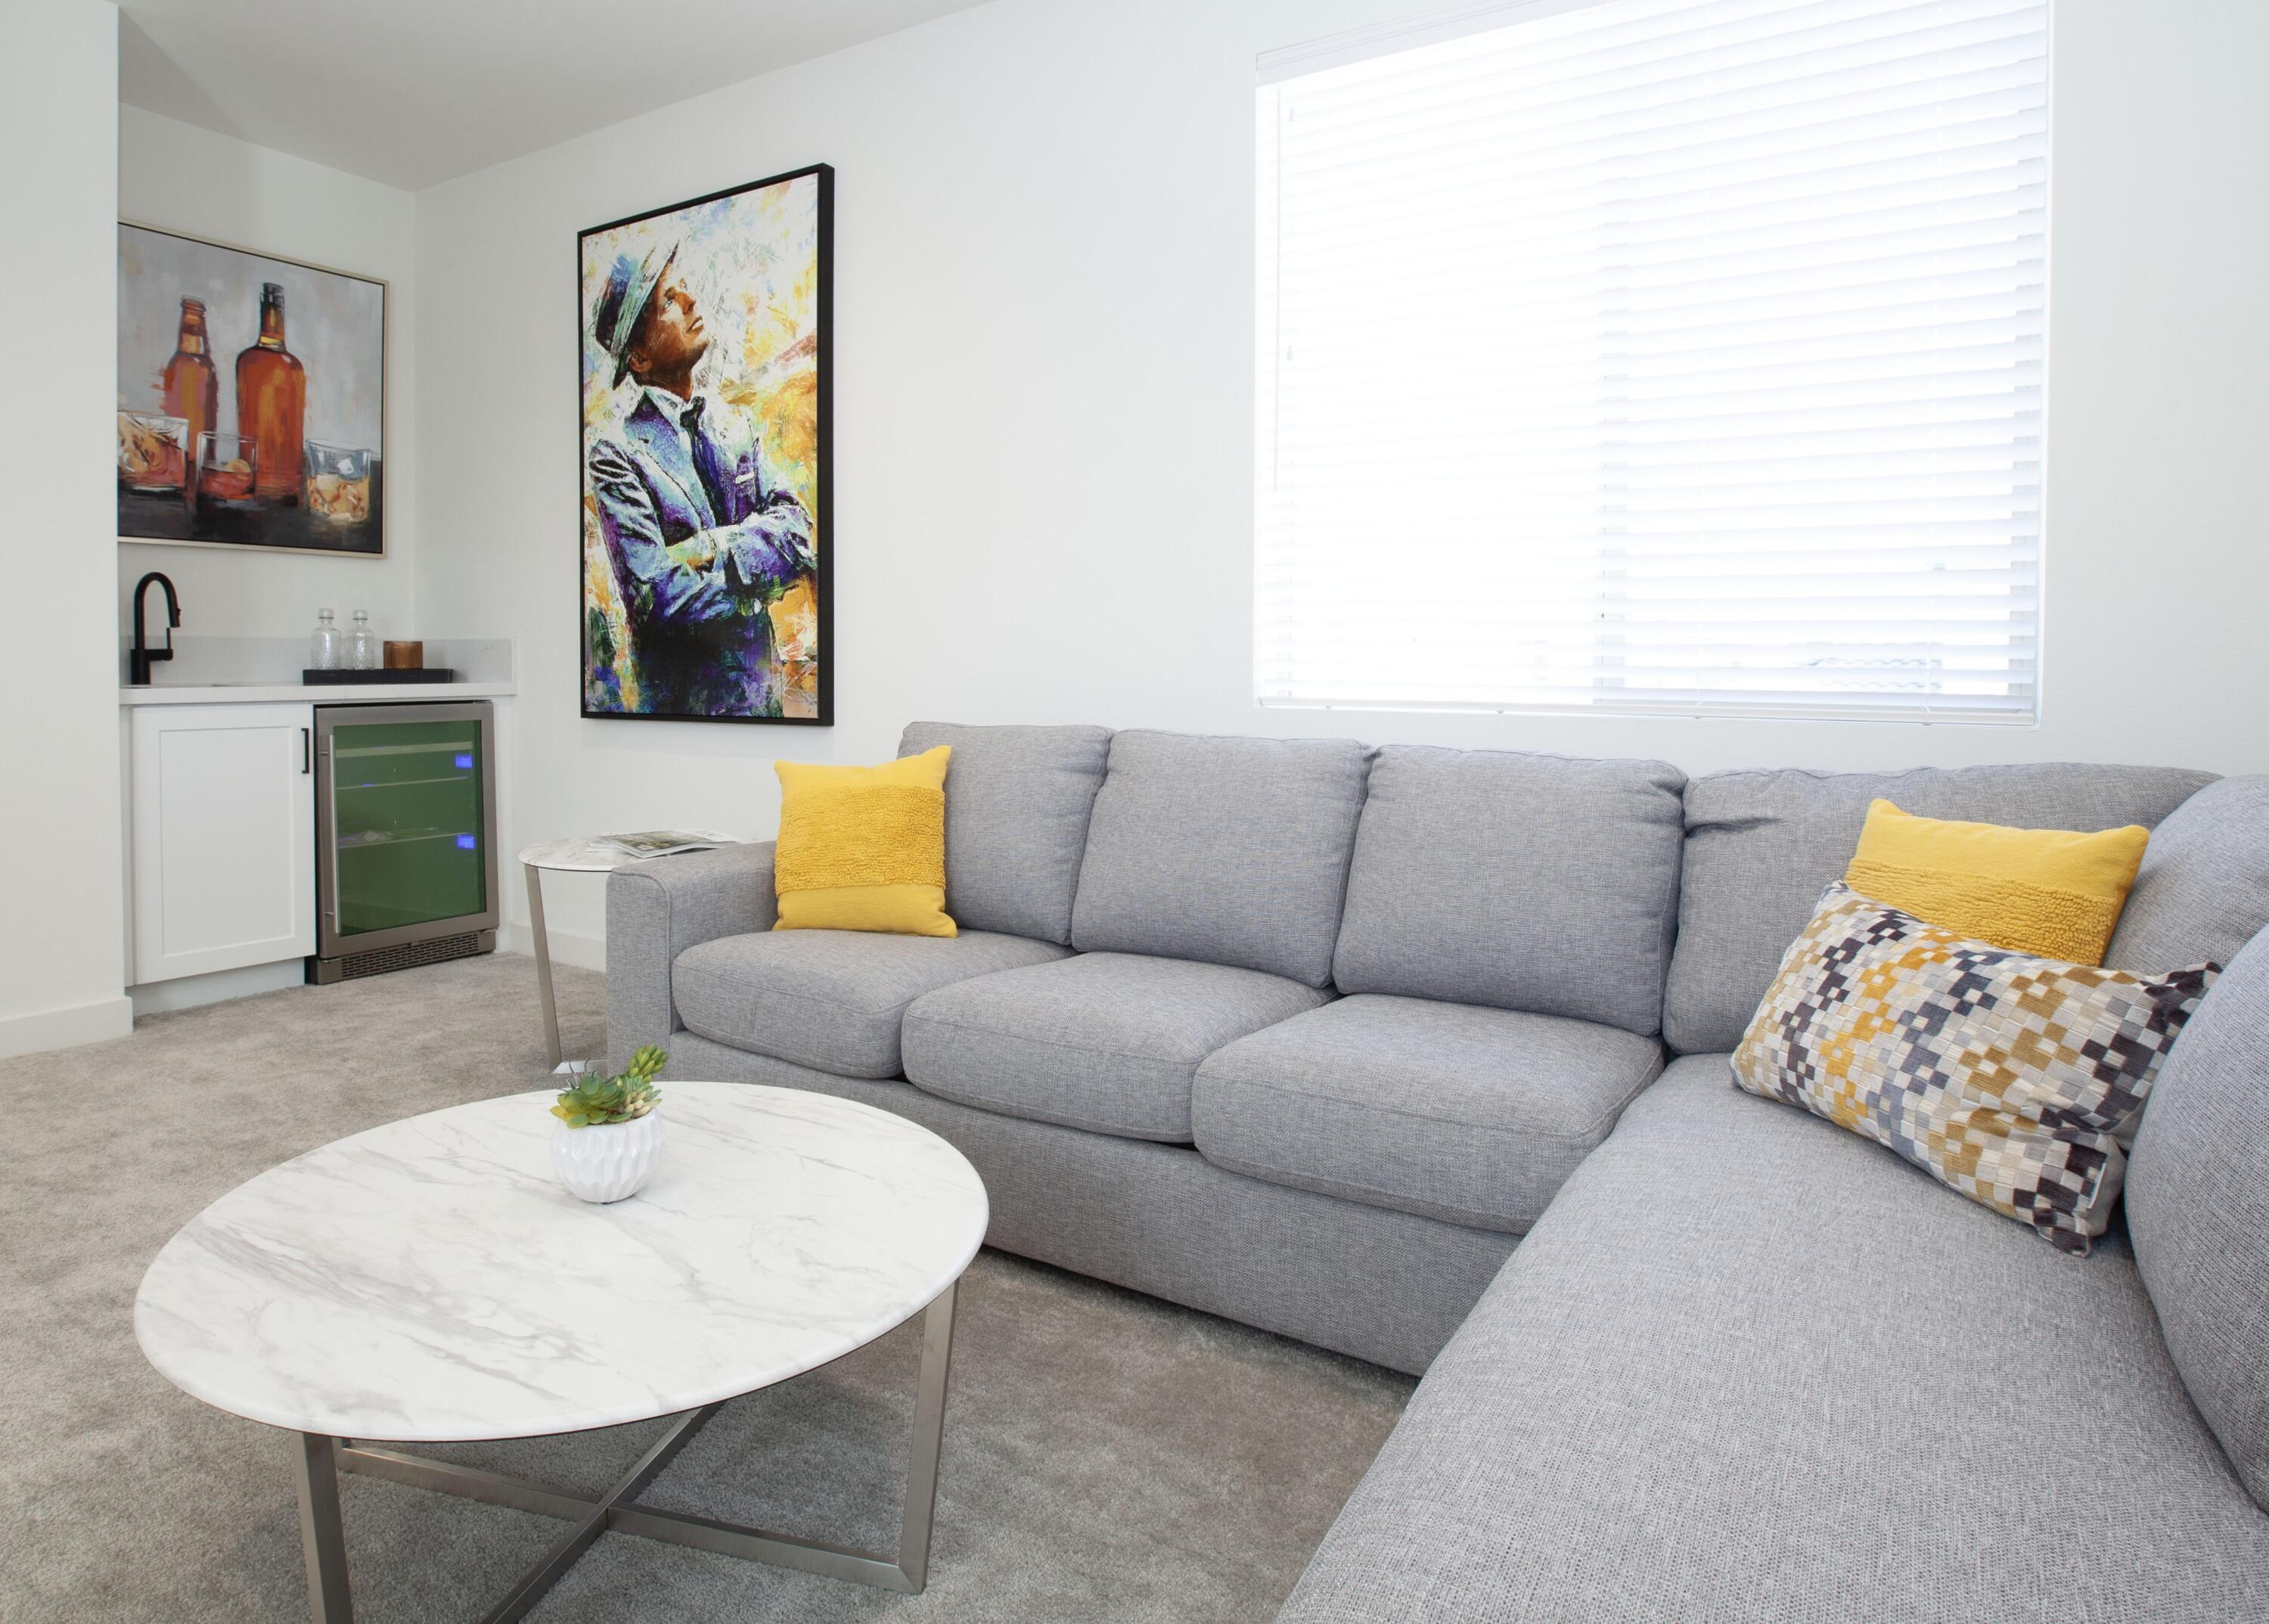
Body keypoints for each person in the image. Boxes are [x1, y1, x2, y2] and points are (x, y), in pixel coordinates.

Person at [585, 240, 814, 716]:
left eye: (683, 288)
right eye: (668, 301)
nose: (689, 301)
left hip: (763, 707)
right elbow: (657, 595)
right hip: (683, 713)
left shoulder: (736, 426)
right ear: (640, 359)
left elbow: (797, 531)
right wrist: (756, 588)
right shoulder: (618, 455)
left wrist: (708, 547)